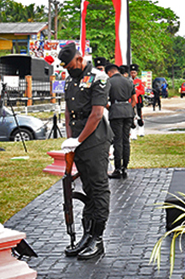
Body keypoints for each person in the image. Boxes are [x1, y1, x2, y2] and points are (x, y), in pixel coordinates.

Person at [58, 43, 112, 260]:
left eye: (71, 66)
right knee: (87, 189)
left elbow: (97, 114)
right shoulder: (71, 80)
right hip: (78, 141)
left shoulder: (99, 77)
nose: (69, 70)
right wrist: (71, 139)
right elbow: (68, 112)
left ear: (80, 60)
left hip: (95, 140)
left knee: (98, 189)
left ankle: (98, 238)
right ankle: (87, 234)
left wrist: (79, 139)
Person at [105, 63, 134, 179]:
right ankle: (125, 166)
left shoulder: (109, 82)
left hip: (116, 111)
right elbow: (135, 100)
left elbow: (103, 100)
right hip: (128, 110)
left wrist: (111, 108)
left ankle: (118, 168)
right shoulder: (129, 81)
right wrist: (128, 109)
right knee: (126, 139)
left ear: (109, 72)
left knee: (117, 140)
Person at [130, 64, 145, 136]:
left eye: (134, 73)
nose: (133, 74)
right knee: (131, 116)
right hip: (130, 101)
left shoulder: (139, 81)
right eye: (131, 73)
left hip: (138, 100)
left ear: (137, 73)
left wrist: (136, 92)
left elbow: (143, 91)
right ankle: (133, 133)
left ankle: (141, 130)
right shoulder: (128, 81)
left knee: (139, 115)